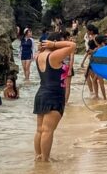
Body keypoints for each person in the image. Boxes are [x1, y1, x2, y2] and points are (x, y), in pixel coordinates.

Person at [32, 34, 76, 162]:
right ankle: (45, 159)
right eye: (60, 42)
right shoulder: (53, 56)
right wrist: (54, 45)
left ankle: (38, 157)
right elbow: (72, 46)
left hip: (41, 94)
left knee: (40, 130)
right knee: (48, 130)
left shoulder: (39, 55)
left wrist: (52, 45)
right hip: (53, 94)